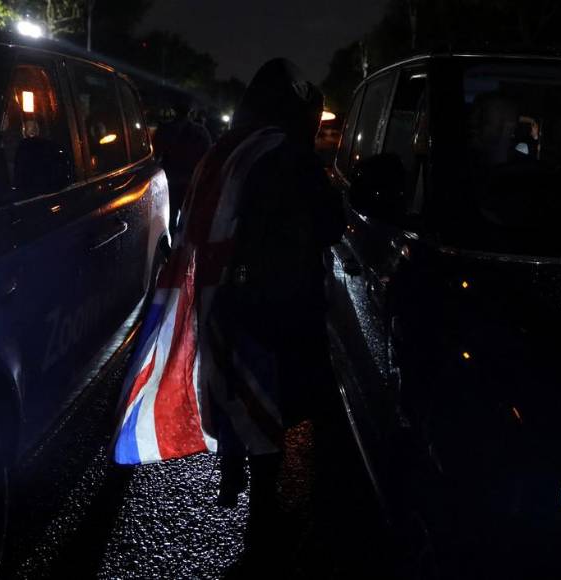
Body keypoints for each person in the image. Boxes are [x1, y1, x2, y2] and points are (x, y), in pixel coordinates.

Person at [179, 58, 344, 571]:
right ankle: (273, 535)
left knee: (251, 403)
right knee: (300, 410)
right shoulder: (288, 154)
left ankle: (248, 490)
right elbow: (330, 224)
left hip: (228, 302)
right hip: (283, 306)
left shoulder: (226, 150)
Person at [153, 94, 213, 226]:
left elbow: (156, 156)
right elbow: (208, 158)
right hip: (191, 183)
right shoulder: (201, 132)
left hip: (169, 181)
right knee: (188, 220)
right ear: (191, 112)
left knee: (169, 218)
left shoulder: (164, 130)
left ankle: (170, 244)